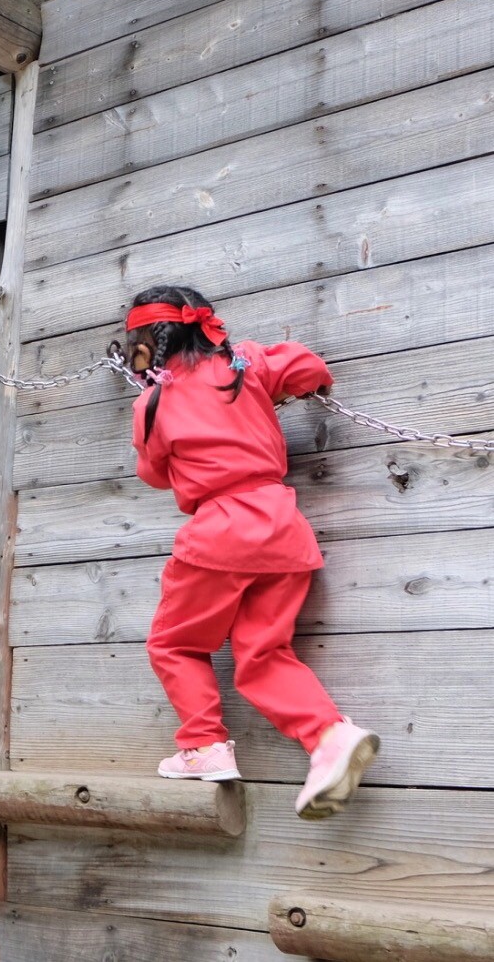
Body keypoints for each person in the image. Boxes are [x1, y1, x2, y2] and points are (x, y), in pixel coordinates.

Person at [123, 284, 379, 819]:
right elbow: (309, 368)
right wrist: (269, 397)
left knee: (175, 644)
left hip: (220, 531)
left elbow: (153, 475)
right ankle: (329, 736)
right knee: (264, 656)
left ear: (148, 341)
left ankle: (203, 746)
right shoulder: (247, 364)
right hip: (282, 526)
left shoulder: (152, 403)